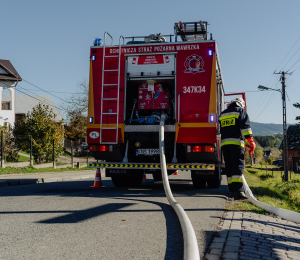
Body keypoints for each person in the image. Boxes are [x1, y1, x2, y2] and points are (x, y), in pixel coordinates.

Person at [219, 98, 256, 200]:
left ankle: (232, 191)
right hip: (236, 144)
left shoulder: (223, 113)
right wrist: (251, 141)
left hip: (225, 145)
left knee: (230, 168)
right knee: (238, 167)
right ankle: (239, 192)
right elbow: (245, 128)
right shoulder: (240, 111)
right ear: (242, 104)